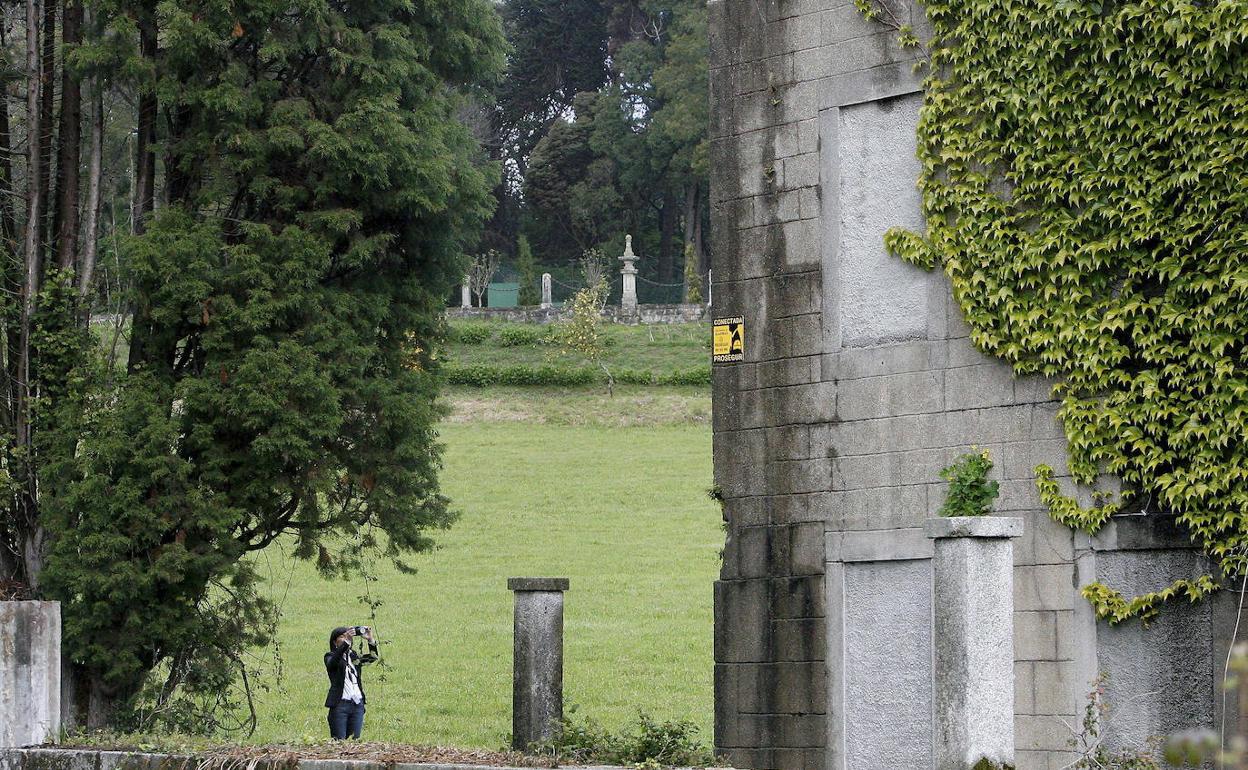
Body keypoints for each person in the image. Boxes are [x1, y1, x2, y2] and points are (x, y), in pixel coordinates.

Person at [324, 625, 379, 740]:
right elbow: (332, 663)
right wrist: (346, 643)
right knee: (339, 741)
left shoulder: (354, 657)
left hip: (357, 705)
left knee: (355, 742)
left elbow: (373, 658)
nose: (346, 639)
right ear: (335, 641)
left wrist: (370, 639)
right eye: (342, 637)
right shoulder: (330, 656)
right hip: (340, 705)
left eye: (347, 636)